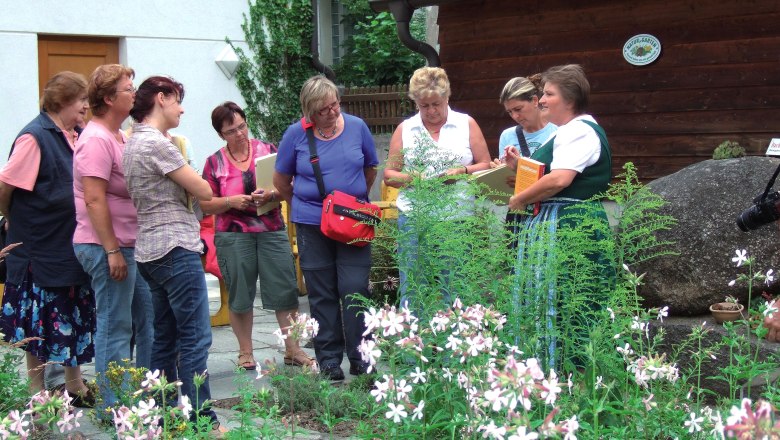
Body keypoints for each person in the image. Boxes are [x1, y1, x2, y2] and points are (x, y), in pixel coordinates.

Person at [122, 76, 219, 428]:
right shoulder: (159, 144)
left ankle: (161, 415)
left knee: (164, 337)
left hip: (148, 250)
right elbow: (204, 190)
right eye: (177, 100)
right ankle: (201, 420)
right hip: (175, 245)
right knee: (194, 336)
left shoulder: (130, 143)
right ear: (160, 99)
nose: (181, 108)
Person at [505, 64, 613, 369]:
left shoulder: (578, 131)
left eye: (548, 94)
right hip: (563, 219)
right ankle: (553, 368)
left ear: (570, 99)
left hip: (570, 222)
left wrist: (518, 199)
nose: (541, 101)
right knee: (559, 295)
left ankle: (564, 371)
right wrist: (520, 166)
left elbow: (558, 180)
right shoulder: (572, 131)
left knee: (567, 295)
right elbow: (549, 172)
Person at [273, 75, 378, 381]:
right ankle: (329, 359)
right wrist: (308, 207)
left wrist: (347, 203)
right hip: (312, 223)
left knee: (355, 288)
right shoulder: (295, 134)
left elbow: (370, 169)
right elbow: (281, 182)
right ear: (309, 111)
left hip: (353, 222)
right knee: (322, 293)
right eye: (323, 109)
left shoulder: (357, 127)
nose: (332, 112)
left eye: (335, 104)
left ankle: (362, 356)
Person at [0, 71, 96, 405]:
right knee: (39, 324)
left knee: (74, 316)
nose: (86, 106)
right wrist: (13, 219)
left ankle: (74, 384)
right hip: (39, 249)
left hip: (70, 244)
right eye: (81, 99)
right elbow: (5, 188)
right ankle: (36, 395)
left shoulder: (78, 134)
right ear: (62, 101)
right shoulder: (35, 137)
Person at [201, 101, 313, 370]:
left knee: (285, 290)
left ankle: (293, 349)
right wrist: (230, 201)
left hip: (271, 230)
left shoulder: (268, 152)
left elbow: (290, 183)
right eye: (231, 130)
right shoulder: (213, 163)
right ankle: (245, 352)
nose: (240, 133)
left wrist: (273, 194)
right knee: (240, 294)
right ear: (220, 134)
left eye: (242, 126)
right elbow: (205, 204)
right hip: (233, 235)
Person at [72, 64, 153, 414]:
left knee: (142, 320)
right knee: (115, 324)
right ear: (108, 98)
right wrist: (112, 250)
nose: (134, 93)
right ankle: (113, 406)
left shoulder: (119, 135)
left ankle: (139, 393)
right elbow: (93, 199)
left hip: (130, 244)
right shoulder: (95, 140)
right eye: (127, 88)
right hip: (105, 245)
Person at [383, 66, 491, 311]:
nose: (431, 111)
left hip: (457, 217)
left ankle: (455, 341)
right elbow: (389, 174)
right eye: (424, 106)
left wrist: (462, 171)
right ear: (416, 103)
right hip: (415, 218)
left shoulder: (466, 123)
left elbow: (485, 164)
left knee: (455, 285)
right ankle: (413, 342)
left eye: (436, 104)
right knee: (414, 284)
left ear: (447, 97)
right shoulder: (406, 129)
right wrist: (414, 179)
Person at [494, 75, 558, 186]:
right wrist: (500, 173)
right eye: (510, 112)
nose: (515, 116)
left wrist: (523, 178)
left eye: (518, 109)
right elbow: (507, 184)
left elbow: (560, 177)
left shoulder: (558, 130)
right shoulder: (507, 135)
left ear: (535, 100)